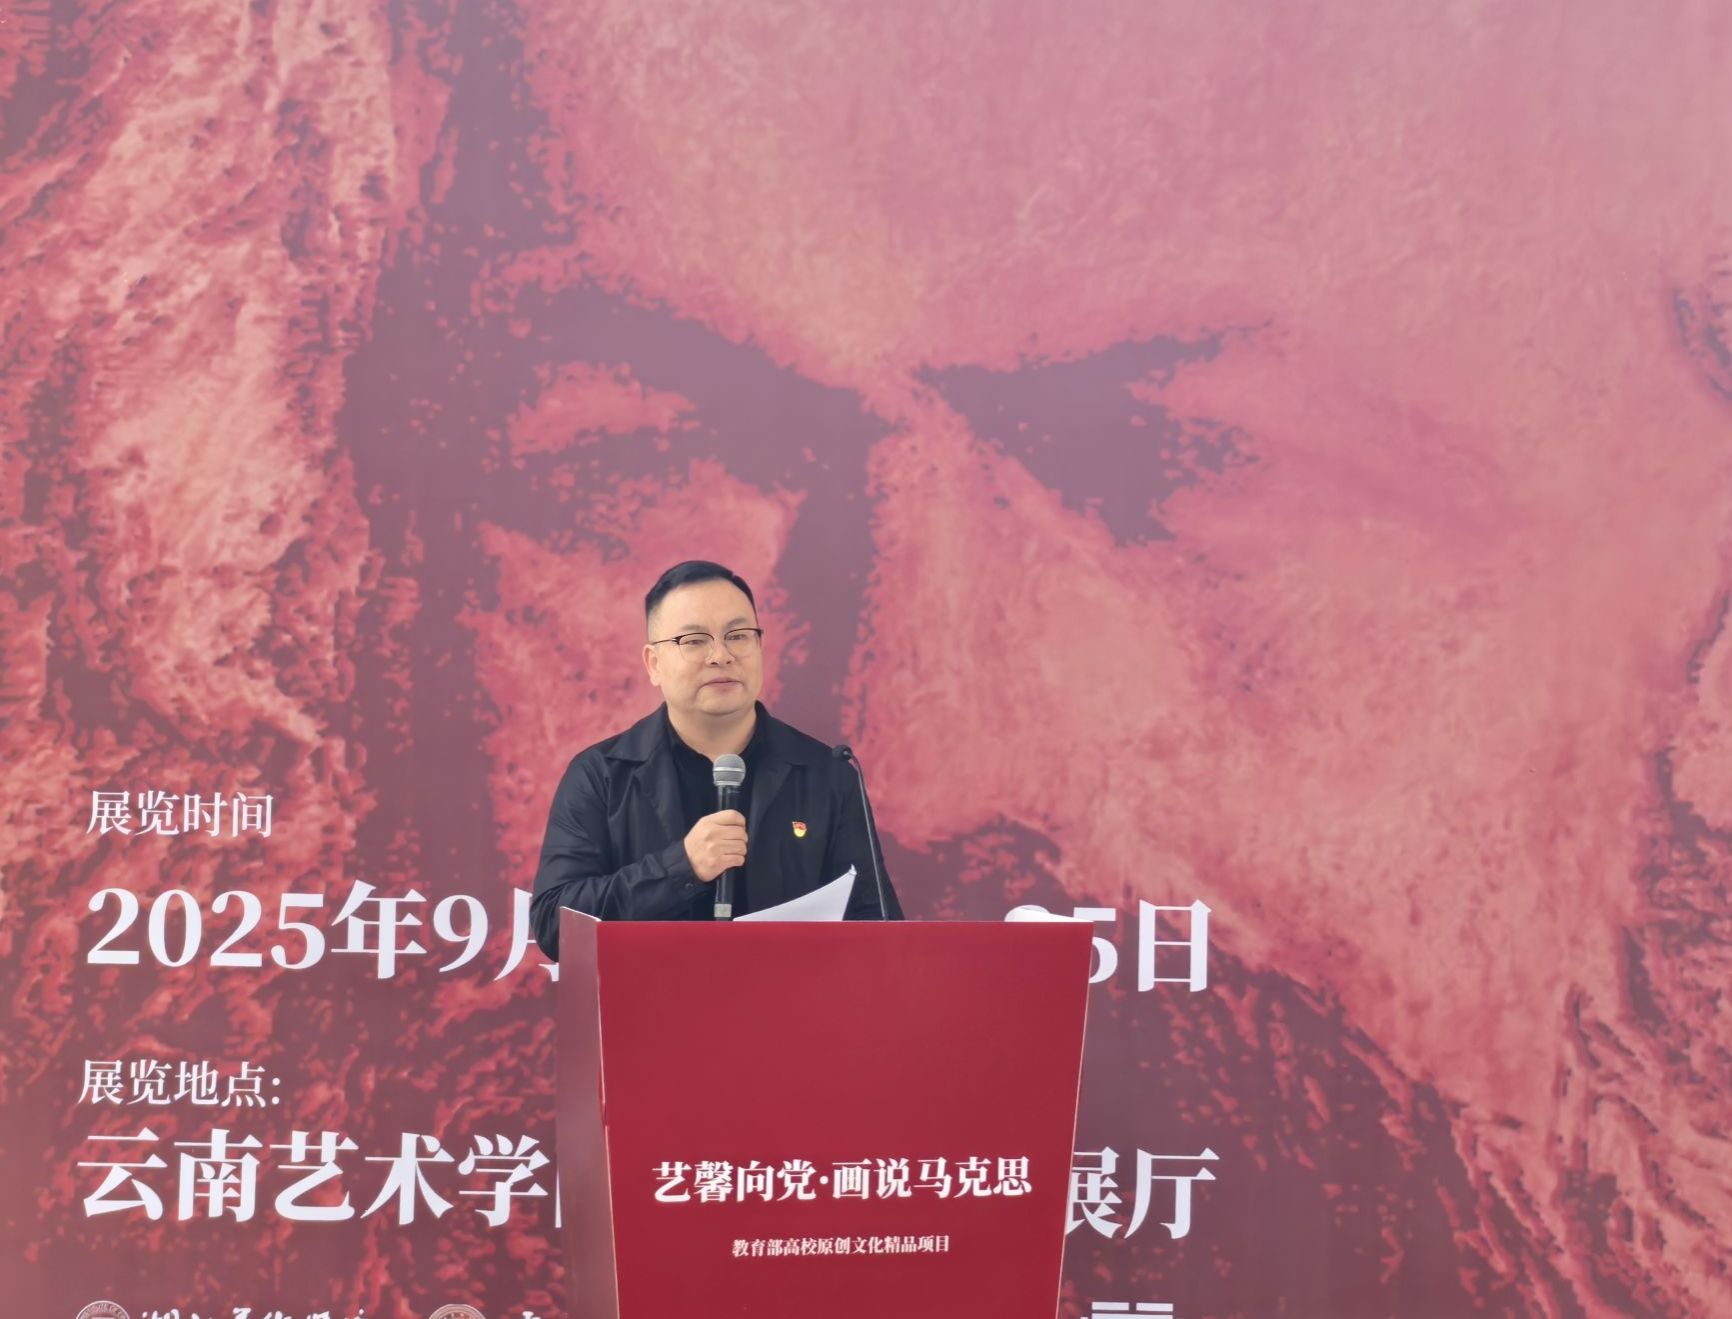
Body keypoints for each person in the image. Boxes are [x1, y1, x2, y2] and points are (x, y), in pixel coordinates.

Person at [529, 560, 901, 955]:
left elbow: (879, 926)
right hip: (653, 994)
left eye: (738, 636)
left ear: (760, 647)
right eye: (694, 641)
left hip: (788, 993)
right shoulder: (601, 775)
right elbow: (556, 926)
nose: (721, 655)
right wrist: (681, 867)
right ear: (654, 664)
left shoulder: (827, 774)